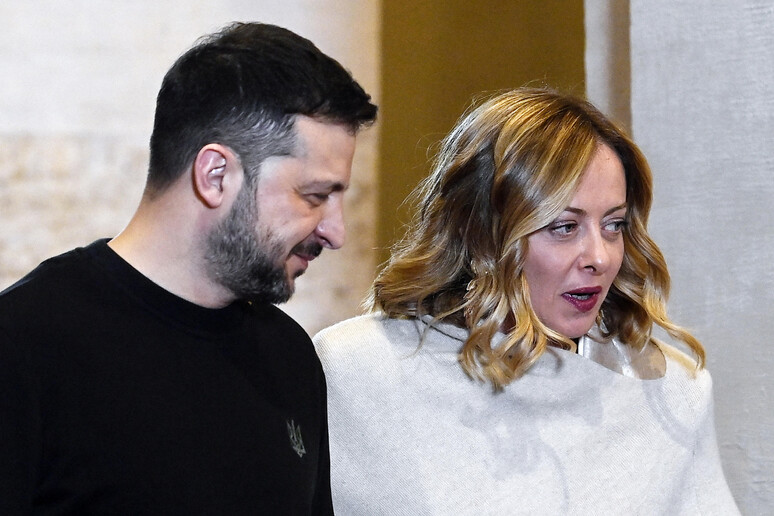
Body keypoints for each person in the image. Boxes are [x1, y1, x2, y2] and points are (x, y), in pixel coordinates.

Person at [0, 22, 376, 514]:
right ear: (215, 175)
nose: (336, 232)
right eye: (314, 196)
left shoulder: (290, 357)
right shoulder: (24, 344)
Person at [313, 87, 738, 514]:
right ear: (482, 233)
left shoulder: (672, 391)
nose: (600, 257)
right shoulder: (357, 369)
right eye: (564, 227)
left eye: (614, 225)